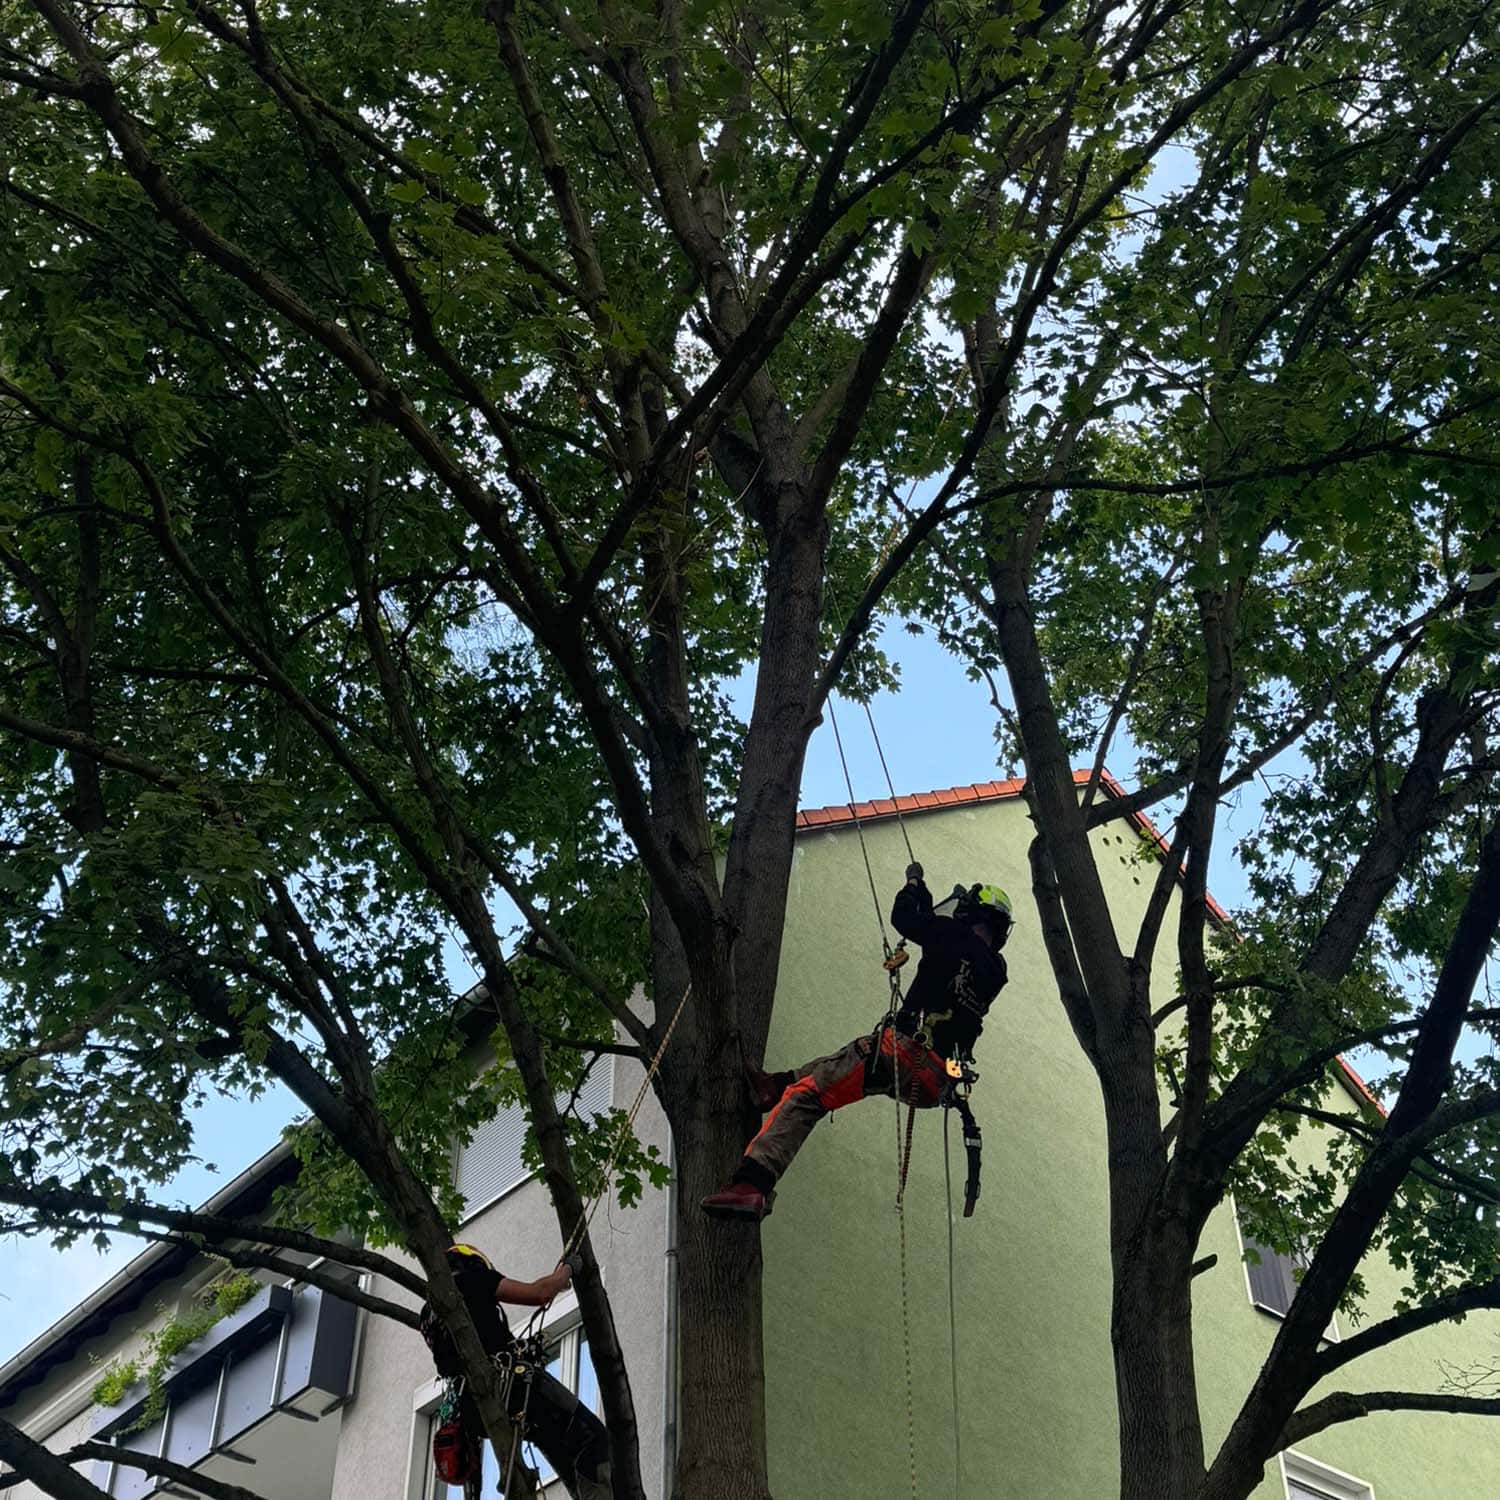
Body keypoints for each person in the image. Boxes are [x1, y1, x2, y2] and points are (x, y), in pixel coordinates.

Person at [700, 864, 1012, 1222]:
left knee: (808, 1097)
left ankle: (751, 1185)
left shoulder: (952, 934)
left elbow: (906, 918)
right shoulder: (995, 971)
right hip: (934, 1082)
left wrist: (914, 885)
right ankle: (773, 1086)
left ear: (968, 912)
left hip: (904, 1054)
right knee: (848, 1058)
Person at [419, 1242, 612, 1500]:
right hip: (513, 1388)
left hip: (473, 1411)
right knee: (592, 1436)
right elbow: (539, 1294)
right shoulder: (472, 1279)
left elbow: (481, 1342)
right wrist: (568, 1269)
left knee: (558, 1446)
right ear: (471, 1264)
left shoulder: (429, 1314)